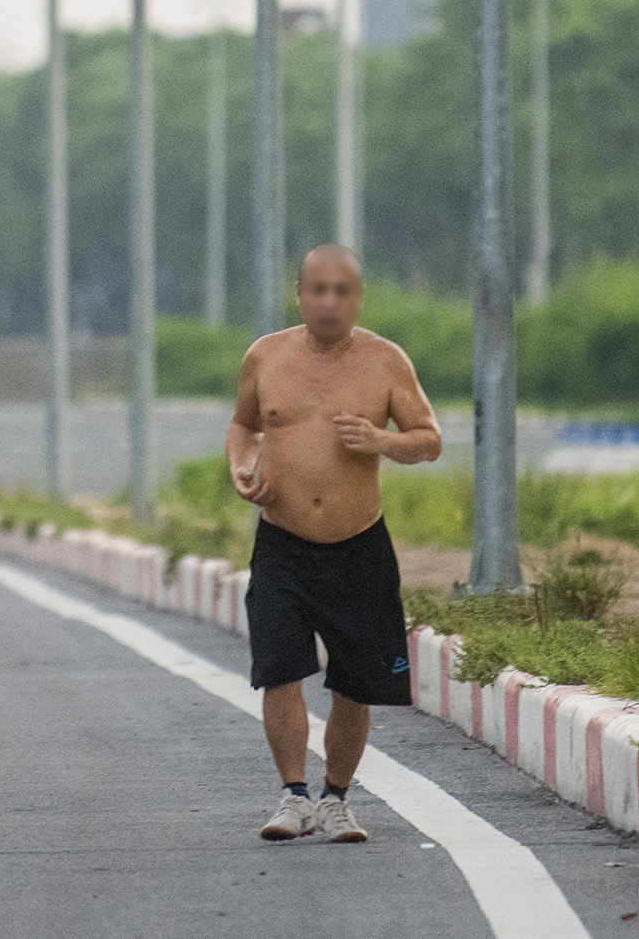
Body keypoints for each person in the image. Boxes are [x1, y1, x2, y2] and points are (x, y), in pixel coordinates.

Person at [225, 243, 443, 843]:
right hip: (282, 542)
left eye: (341, 290)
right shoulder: (265, 356)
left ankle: (337, 799)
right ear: (300, 294)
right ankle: (293, 797)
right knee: (280, 669)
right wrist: (242, 469)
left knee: (355, 679)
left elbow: (428, 439)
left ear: (357, 297)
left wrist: (379, 439)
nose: (329, 300)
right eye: (317, 289)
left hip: (358, 545)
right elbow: (245, 424)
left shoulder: (384, 361)